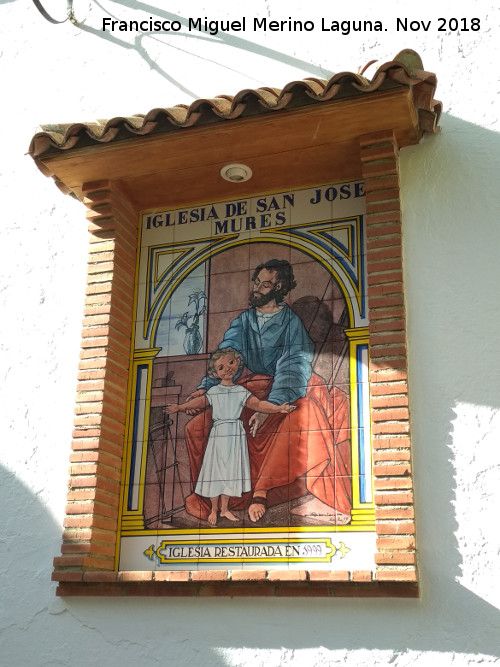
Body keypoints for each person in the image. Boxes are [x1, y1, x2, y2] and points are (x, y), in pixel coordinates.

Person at [184, 259, 352, 524]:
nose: (257, 288)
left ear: (280, 287)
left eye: (264, 284)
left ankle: (261, 492)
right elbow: (229, 355)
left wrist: (271, 406)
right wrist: (205, 391)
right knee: (196, 427)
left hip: (288, 388)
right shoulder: (245, 320)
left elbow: (292, 366)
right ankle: (216, 497)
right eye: (256, 282)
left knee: (300, 417)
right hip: (251, 387)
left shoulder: (291, 322)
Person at [165, 348, 295, 526]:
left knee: (230, 473)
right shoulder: (214, 391)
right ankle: (213, 510)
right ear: (215, 373)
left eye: (230, 363)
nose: (227, 369)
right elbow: (199, 402)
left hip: (235, 435)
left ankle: (225, 509)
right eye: (221, 367)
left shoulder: (240, 391)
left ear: (238, 363)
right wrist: (180, 407)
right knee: (216, 471)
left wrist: (278, 408)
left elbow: (258, 404)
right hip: (219, 433)